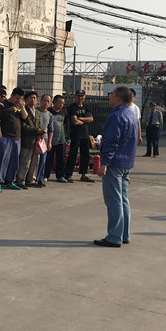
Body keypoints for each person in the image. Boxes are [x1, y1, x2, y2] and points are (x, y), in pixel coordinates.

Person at [94, 86, 138, 247]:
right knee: (123, 199)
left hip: (114, 163)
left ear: (118, 99)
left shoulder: (116, 116)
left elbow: (112, 142)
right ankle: (124, 234)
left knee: (114, 201)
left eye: (111, 95)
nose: (109, 98)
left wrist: (104, 163)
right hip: (127, 162)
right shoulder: (132, 115)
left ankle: (114, 236)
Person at [0, 87, 27, 190]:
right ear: (12, 95)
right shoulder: (2, 106)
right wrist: (0, 135)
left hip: (17, 138)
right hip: (5, 137)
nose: (18, 100)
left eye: (20, 98)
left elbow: (25, 117)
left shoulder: (19, 106)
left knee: (14, 161)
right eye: (17, 98)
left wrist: (22, 106)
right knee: (3, 160)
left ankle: (10, 180)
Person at [65, 89, 95, 183]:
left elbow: (91, 118)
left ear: (84, 97)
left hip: (85, 134)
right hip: (76, 134)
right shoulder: (72, 107)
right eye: (78, 96)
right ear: (75, 96)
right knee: (73, 154)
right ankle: (68, 174)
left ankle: (83, 174)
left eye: (82, 96)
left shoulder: (85, 107)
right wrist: (85, 120)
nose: (80, 98)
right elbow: (74, 121)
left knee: (85, 155)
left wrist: (81, 118)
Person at [16, 91, 42, 189]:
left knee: (35, 162)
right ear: (26, 100)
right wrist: (36, 130)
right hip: (27, 140)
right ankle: (20, 180)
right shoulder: (23, 110)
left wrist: (40, 131)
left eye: (35, 98)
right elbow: (23, 126)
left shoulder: (37, 112)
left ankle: (31, 180)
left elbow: (38, 124)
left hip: (36, 141)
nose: (33, 100)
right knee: (25, 161)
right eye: (31, 98)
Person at [34, 93, 55, 187]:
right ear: (40, 101)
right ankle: (31, 179)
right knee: (34, 161)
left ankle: (40, 178)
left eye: (48, 101)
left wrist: (49, 142)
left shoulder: (50, 115)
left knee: (43, 161)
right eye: (44, 100)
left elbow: (51, 130)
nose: (46, 103)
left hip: (44, 141)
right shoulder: (35, 111)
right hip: (34, 139)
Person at [46, 95, 68, 183]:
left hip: (61, 139)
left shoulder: (64, 112)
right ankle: (45, 175)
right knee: (49, 158)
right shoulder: (48, 111)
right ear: (54, 102)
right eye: (59, 103)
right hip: (50, 140)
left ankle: (60, 175)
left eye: (63, 103)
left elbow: (66, 124)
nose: (61, 105)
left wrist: (67, 137)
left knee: (61, 159)